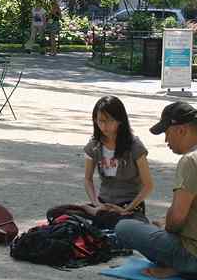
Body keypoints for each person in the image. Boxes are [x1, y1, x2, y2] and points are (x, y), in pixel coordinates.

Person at [116, 102, 197, 279]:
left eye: (167, 133)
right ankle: (188, 267)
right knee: (158, 224)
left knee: (124, 227)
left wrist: (166, 227)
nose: (166, 140)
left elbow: (177, 217)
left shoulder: (190, 160)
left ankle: (184, 268)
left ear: (181, 130)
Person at [47, 96, 154, 228]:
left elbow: (148, 185)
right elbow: (88, 179)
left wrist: (126, 209)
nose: (104, 126)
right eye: (100, 121)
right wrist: (96, 203)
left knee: (122, 226)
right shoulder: (94, 146)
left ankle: (95, 213)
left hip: (129, 206)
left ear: (120, 120)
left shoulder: (135, 146)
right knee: (57, 214)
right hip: (102, 205)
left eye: (109, 121)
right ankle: (93, 211)